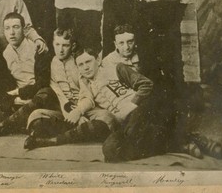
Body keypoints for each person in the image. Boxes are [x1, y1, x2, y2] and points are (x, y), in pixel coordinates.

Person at [24, 46, 152, 150]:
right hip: (120, 121)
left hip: (137, 110)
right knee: (110, 145)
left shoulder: (116, 68)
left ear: (98, 60)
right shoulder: (86, 82)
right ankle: (49, 141)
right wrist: (79, 112)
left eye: (88, 62)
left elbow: (146, 85)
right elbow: (86, 99)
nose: (85, 67)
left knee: (129, 138)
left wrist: (132, 104)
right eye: (81, 64)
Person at [0, 12, 57, 143]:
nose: (11, 33)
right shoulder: (4, 55)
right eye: (7, 28)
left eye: (16, 27)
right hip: (19, 103)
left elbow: (43, 83)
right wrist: (15, 100)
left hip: (38, 98)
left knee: (46, 93)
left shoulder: (37, 49)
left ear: (24, 29)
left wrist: (20, 94)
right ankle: (21, 123)